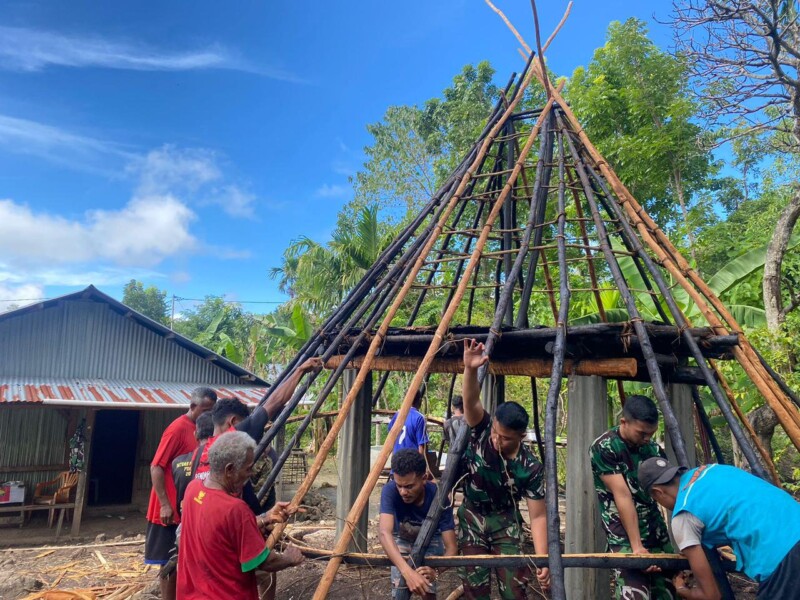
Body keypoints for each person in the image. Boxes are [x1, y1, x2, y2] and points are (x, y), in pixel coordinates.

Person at [459, 339, 550, 599]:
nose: (497, 440)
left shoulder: (530, 468)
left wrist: (542, 559)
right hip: (472, 518)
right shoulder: (484, 428)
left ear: (521, 436)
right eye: (496, 434)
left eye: (506, 438)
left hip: (506, 522)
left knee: (515, 590)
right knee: (474, 589)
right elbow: (471, 402)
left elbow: (538, 516)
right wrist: (469, 369)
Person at [640, 458, 800, 600]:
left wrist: (681, 589)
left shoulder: (683, 514)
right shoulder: (711, 470)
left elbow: (711, 595)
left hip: (780, 555)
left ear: (657, 492)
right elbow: (734, 509)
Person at [177, 431, 304, 600]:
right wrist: (288, 558)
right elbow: (263, 562)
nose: (251, 474)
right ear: (229, 469)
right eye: (248, 468)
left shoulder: (193, 489)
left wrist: (266, 516)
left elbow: (219, 530)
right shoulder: (236, 509)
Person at [589, 394, 674, 599]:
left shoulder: (653, 449)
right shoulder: (604, 447)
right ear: (623, 422)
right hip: (622, 529)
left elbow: (665, 491)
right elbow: (623, 496)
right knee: (634, 591)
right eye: (642, 433)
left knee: (669, 589)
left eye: (651, 434)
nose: (647, 439)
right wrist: (637, 548)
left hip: (653, 525)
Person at [145, 386, 216, 600]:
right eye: (205, 410)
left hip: (188, 507)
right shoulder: (177, 429)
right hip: (167, 510)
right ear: (193, 406)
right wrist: (165, 504)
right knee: (168, 563)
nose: (209, 415)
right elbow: (156, 466)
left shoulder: (205, 431)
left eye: (212, 410)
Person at [379, 449, 458, 599]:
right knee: (400, 588)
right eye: (399, 486)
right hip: (403, 535)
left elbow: (452, 547)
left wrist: (436, 571)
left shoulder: (438, 497)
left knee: (427, 587)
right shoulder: (389, 491)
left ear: (424, 478)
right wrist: (407, 572)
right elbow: (384, 533)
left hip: (432, 538)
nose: (403, 492)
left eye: (409, 486)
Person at [389, 385, 430, 458]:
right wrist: (421, 466)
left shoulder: (396, 416)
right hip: (412, 462)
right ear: (420, 401)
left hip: (397, 460)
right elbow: (421, 445)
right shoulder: (419, 418)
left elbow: (390, 440)